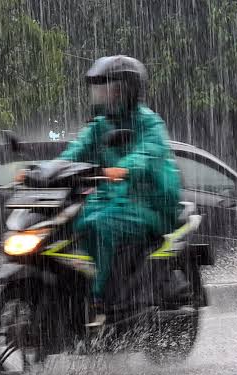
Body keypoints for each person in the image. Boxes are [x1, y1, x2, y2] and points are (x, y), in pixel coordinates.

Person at [57, 55, 182, 326]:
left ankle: (102, 297)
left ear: (128, 89)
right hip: (115, 200)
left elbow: (147, 152)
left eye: (109, 87)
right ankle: (96, 280)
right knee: (77, 220)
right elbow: (75, 152)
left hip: (151, 202)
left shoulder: (149, 122)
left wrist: (124, 168)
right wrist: (45, 172)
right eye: (100, 88)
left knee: (103, 224)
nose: (103, 95)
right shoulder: (101, 124)